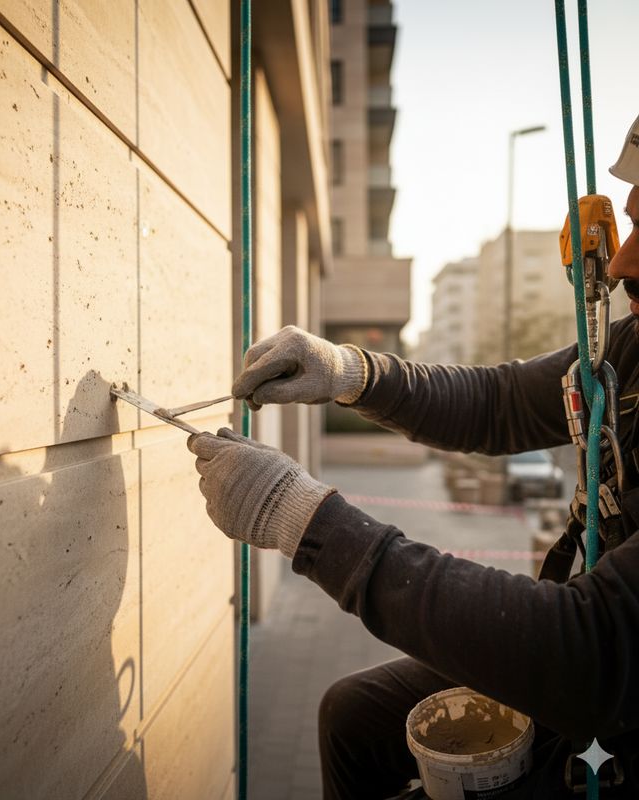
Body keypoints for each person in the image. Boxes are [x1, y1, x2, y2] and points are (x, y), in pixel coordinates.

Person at [188, 113, 639, 799]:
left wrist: (305, 521)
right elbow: (499, 404)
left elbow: (590, 650)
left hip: (610, 690)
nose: (624, 263)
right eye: (632, 222)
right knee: (355, 718)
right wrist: (353, 372)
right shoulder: (630, 353)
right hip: (595, 662)